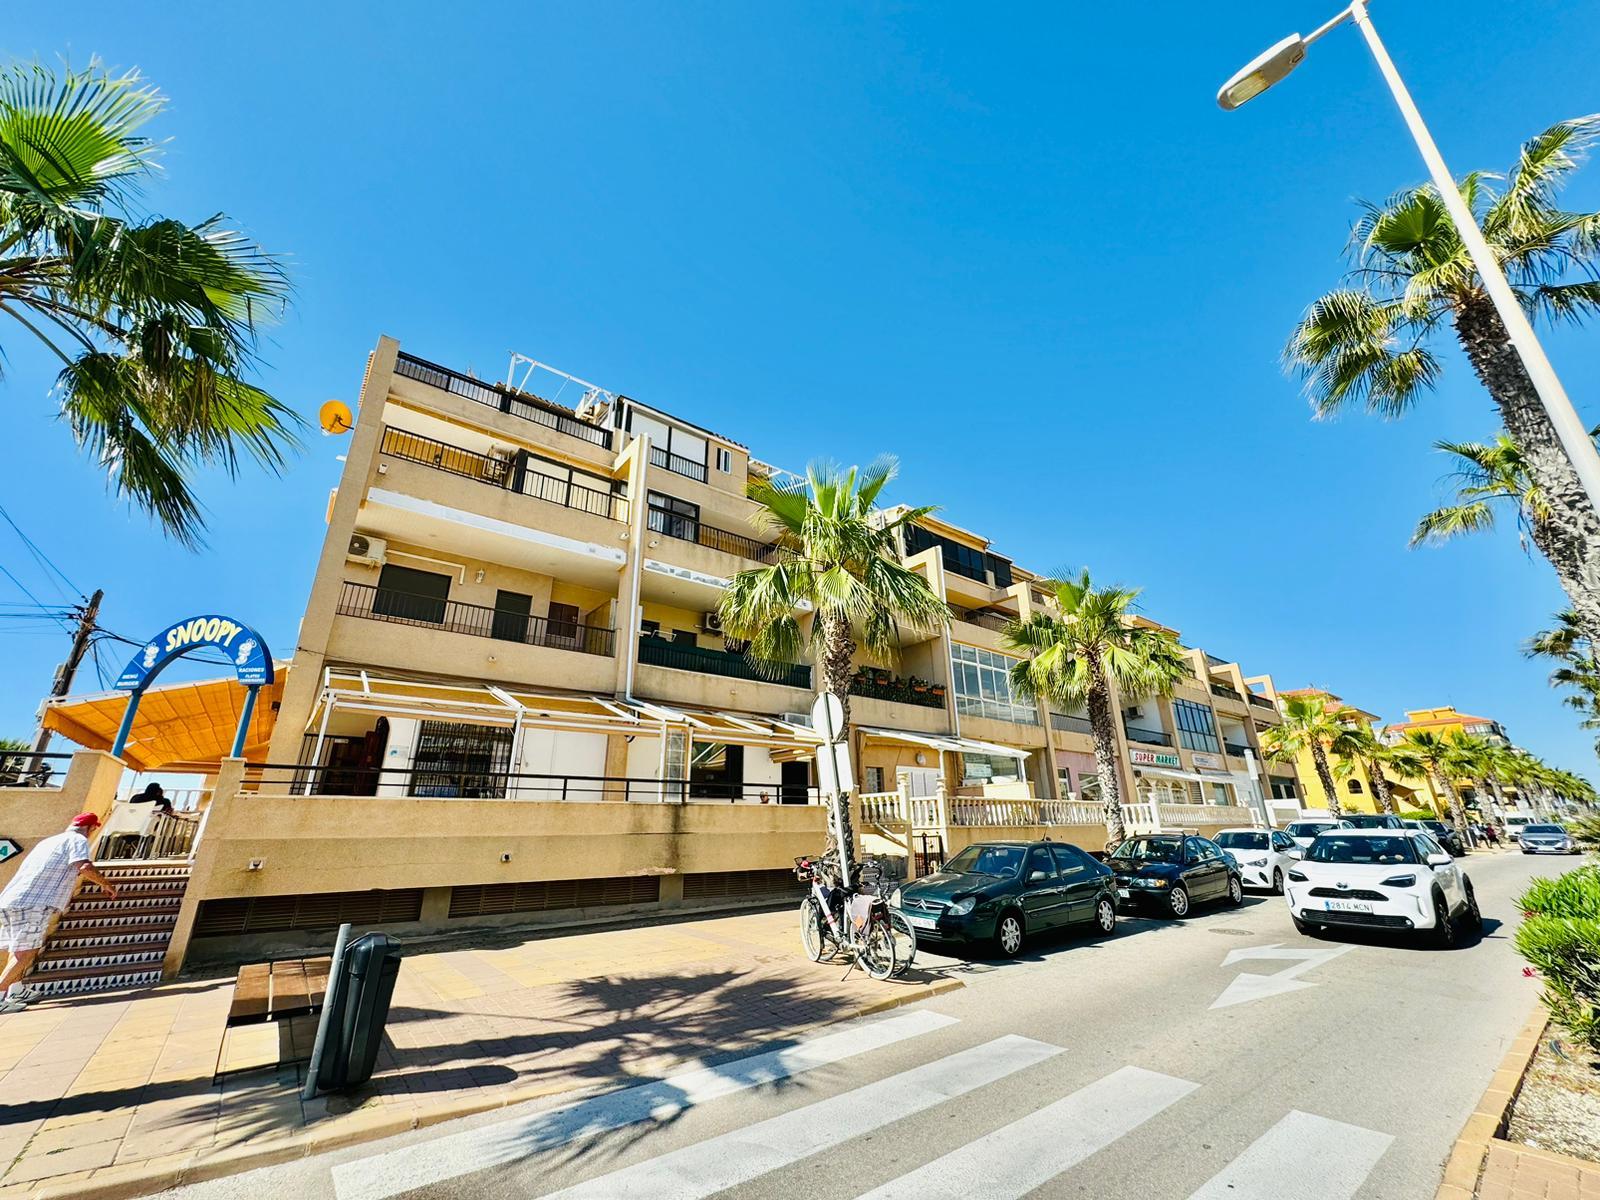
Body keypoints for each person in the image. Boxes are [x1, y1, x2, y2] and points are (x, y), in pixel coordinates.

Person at [0, 813, 117, 1012]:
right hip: (35, 902)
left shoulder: (49, 841)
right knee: (26, 952)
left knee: (20, 948)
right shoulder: (77, 840)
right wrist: (106, 885)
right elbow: (84, 866)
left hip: (12, 899)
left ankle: (16, 990)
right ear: (91, 828)